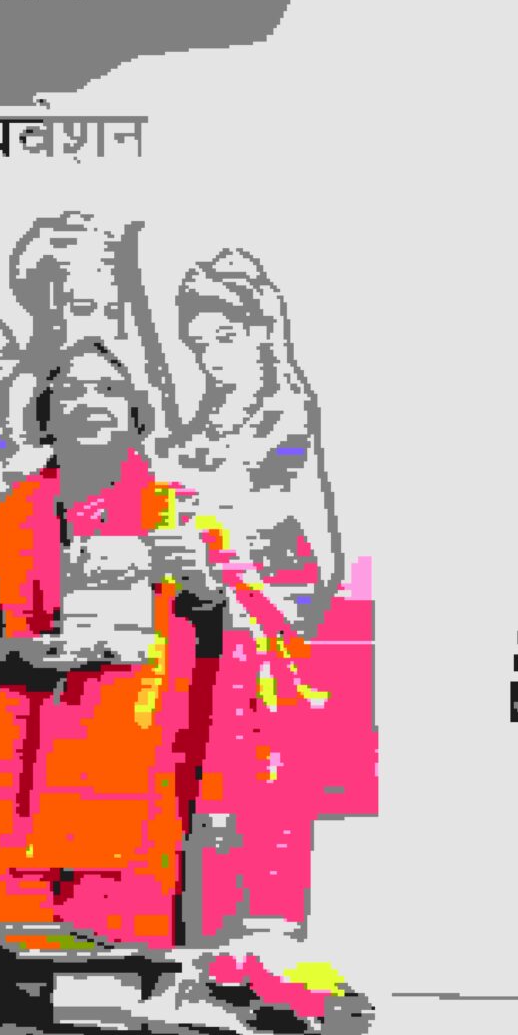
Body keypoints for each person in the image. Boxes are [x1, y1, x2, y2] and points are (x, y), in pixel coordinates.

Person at [0, 339, 312, 1035]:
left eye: (108, 388)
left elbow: (257, 644)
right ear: (45, 413)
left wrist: (204, 591)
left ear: (136, 411)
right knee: (46, 980)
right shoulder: (11, 513)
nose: (90, 401)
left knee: (128, 977)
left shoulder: (181, 510)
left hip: (143, 776)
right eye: (71, 389)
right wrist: (24, 654)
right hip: (32, 771)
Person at [161, 250, 350, 942]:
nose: (213, 357)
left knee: (257, 799)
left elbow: (307, 544)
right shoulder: (210, 415)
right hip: (205, 632)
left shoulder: (286, 415)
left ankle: (265, 948)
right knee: (204, 808)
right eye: (200, 343)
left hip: (260, 635)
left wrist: (219, 540)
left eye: (225, 337)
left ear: (261, 329)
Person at [0, 214, 181, 516]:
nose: (93, 323)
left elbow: (166, 452)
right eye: (79, 308)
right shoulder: (26, 386)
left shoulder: (137, 376)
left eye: (108, 309)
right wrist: (9, 465)